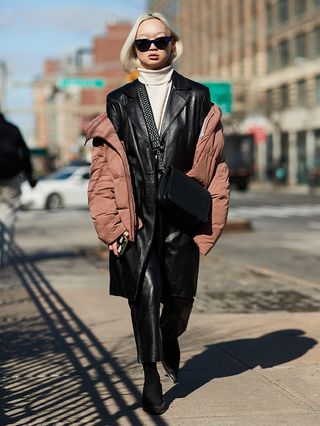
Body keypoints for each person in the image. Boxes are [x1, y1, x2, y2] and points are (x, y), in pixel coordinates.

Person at [86, 13, 229, 415]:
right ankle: (150, 373)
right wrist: (109, 224)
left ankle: (170, 337)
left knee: (180, 299)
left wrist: (211, 222)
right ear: (133, 49)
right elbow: (102, 168)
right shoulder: (119, 100)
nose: (152, 49)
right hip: (136, 214)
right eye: (143, 43)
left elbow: (216, 165)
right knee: (144, 296)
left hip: (181, 212)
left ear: (172, 44)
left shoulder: (198, 96)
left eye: (159, 41)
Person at [0, 112, 36, 266]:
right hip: (10, 178)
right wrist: (29, 176)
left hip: (10, 177)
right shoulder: (12, 129)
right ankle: (2, 257)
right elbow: (25, 153)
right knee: (7, 216)